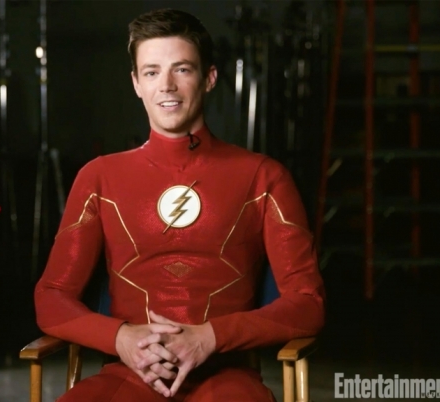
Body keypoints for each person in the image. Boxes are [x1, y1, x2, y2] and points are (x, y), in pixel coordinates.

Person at [34, 8, 325, 402]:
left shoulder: (264, 177)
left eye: (182, 69)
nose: (167, 86)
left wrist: (210, 337)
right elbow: (51, 297)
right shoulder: (98, 178)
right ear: (136, 83)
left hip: (226, 378)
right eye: (152, 72)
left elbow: (308, 305)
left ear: (209, 78)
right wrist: (121, 339)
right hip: (129, 375)